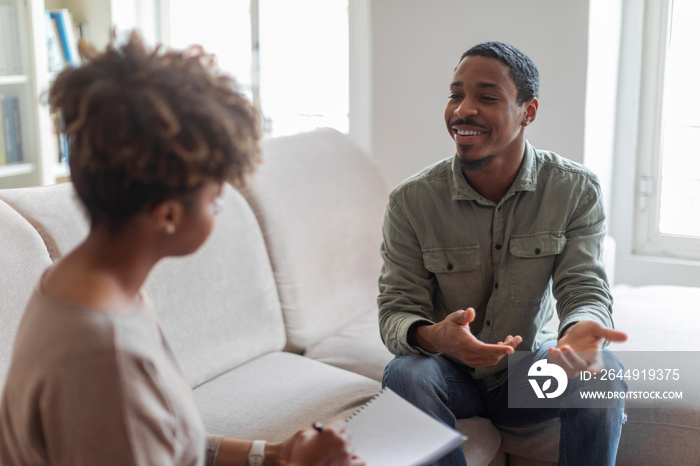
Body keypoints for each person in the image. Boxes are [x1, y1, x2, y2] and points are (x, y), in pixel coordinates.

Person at [0, 33, 361, 466]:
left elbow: (164, 435)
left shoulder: (86, 286)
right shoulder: (106, 355)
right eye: (214, 197)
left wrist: (274, 457)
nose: (220, 207)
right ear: (169, 215)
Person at [378, 41, 628, 466]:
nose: (462, 110)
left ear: (528, 112)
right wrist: (434, 336)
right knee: (404, 374)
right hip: (449, 373)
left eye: (486, 97)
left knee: (604, 377)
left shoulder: (575, 189)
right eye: (456, 94)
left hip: (527, 372)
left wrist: (582, 331)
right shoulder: (411, 201)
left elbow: (583, 285)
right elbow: (396, 309)